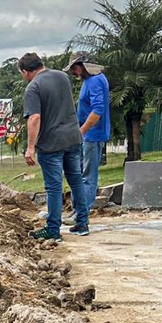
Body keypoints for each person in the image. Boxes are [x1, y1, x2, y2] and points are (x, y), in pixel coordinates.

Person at [20, 51, 89, 241]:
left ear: (26, 72)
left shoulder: (33, 87)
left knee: (54, 187)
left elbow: (34, 118)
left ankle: (53, 230)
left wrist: (30, 147)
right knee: (76, 180)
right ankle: (82, 223)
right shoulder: (62, 77)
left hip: (51, 144)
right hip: (73, 138)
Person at [66, 54, 110, 212]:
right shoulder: (88, 81)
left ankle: (82, 212)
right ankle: (77, 210)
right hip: (86, 136)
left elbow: (97, 111)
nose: (73, 73)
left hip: (92, 136)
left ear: (82, 65)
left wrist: (81, 131)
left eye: (74, 69)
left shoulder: (96, 80)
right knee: (78, 174)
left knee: (87, 175)